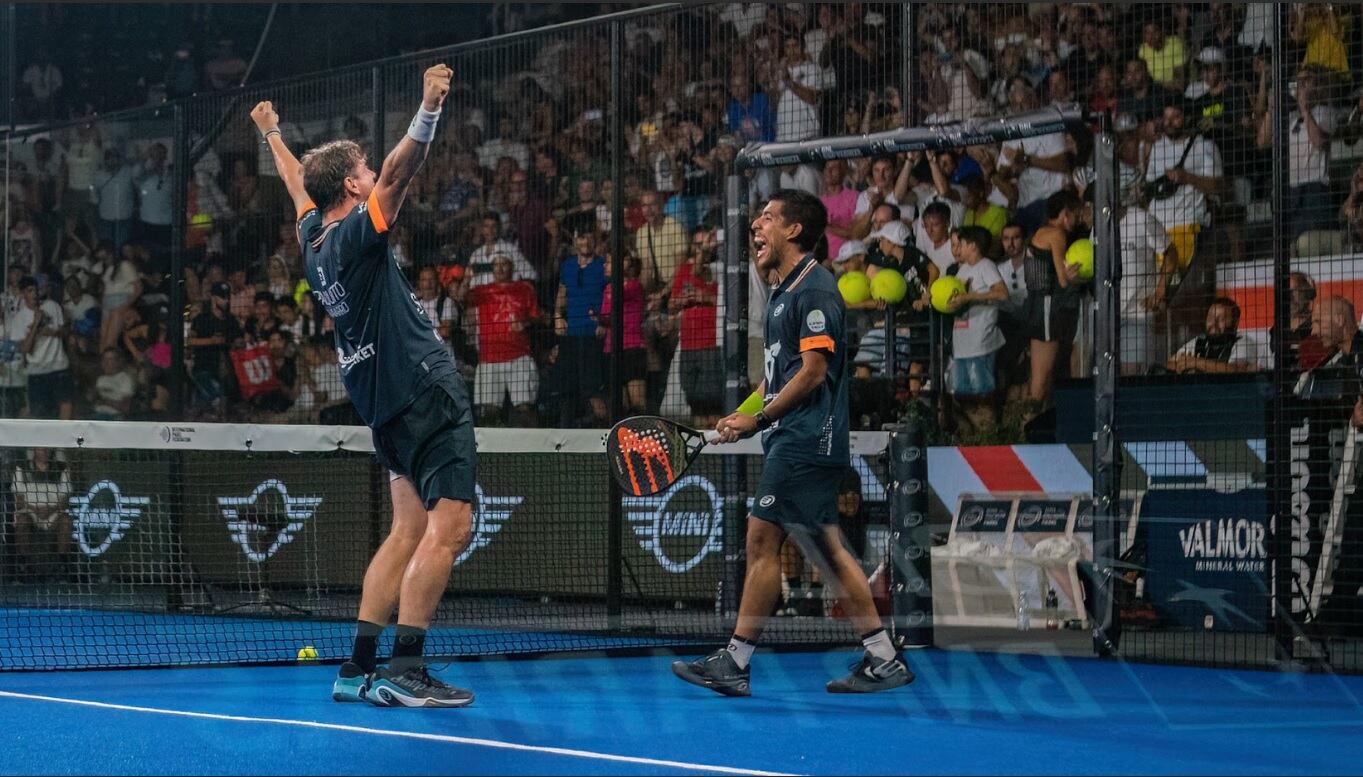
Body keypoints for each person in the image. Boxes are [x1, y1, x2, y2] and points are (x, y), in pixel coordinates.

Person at [253, 64, 477, 708]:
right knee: (452, 524)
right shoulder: (354, 232)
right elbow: (403, 173)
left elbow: (299, 186)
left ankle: (355, 669)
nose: (374, 171)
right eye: (365, 168)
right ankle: (407, 667)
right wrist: (428, 108)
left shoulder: (313, 237)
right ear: (354, 184)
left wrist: (273, 133)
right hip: (423, 387)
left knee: (407, 530)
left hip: (381, 403)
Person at [672, 189, 913, 696]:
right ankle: (884, 657)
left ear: (794, 230)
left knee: (763, 539)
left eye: (766, 218)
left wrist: (757, 424)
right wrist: (740, 416)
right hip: (795, 439)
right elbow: (774, 379)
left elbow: (811, 373)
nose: (755, 227)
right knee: (826, 548)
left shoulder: (816, 288)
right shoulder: (784, 295)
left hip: (807, 439)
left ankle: (736, 661)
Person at [1021, 191, 1083, 412]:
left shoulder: (1038, 232)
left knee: (1041, 377)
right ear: (1065, 213)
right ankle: (1026, 429)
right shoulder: (1057, 234)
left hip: (1035, 305)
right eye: (1076, 215)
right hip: (1046, 308)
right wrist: (1077, 276)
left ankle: (1032, 426)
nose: (1078, 221)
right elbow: (1063, 279)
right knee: (1042, 378)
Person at [1166, 298, 1263, 374]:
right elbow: (1169, 364)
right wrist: (1189, 365)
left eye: (1221, 319)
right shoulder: (1199, 341)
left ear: (1235, 323)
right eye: (1210, 317)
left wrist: (1195, 363)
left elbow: (1236, 369)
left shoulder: (1243, 342)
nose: (1213, 324)